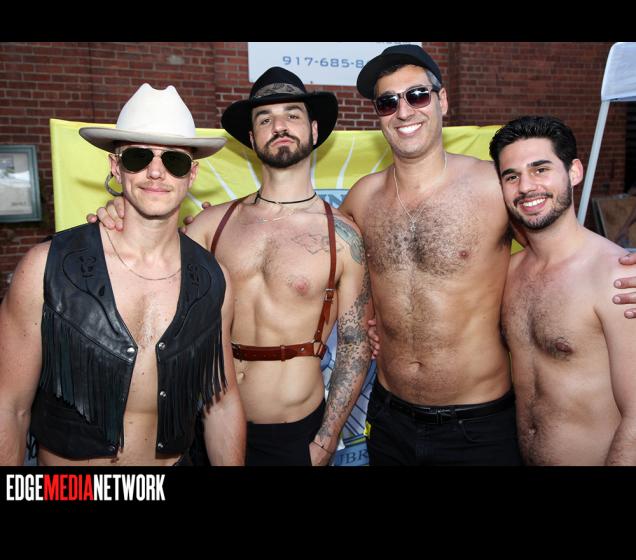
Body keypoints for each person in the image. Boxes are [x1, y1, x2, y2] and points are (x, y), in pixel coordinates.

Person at [340, 44, 636, 465]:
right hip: (390, 419)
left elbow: (561, 248)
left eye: (417, 95)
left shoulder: (492, 186)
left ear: (442, 100)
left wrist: (615, 271)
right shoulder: (362, 198)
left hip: (476, 428)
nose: (404, 111)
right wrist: (374, 320)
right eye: (388, 102)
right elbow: (338, 270)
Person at [91, 68, 373, 466]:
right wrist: (119, 214)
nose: (279, 126)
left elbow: (356, 345)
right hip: (202, 427)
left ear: (313, 130)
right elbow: (144, 269)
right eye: (264, 119)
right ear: (252, 138)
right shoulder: (210, 225)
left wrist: (325, 444)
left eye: (292, 115)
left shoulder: (343, 237)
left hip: (291, 435)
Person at [0, 83, 246, 466]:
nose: (156, 172)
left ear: (192, 175)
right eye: (137, 156)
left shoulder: (214, 280)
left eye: (175, 161)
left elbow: (222, 403)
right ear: (116, 166)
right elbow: (9, 407)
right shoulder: (45, 267)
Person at [488, 115, 636, 464]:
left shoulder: (616, 277)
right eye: (512, 176)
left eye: (540, 169)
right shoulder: (508, 273)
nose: (526, 187)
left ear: (574, 172)